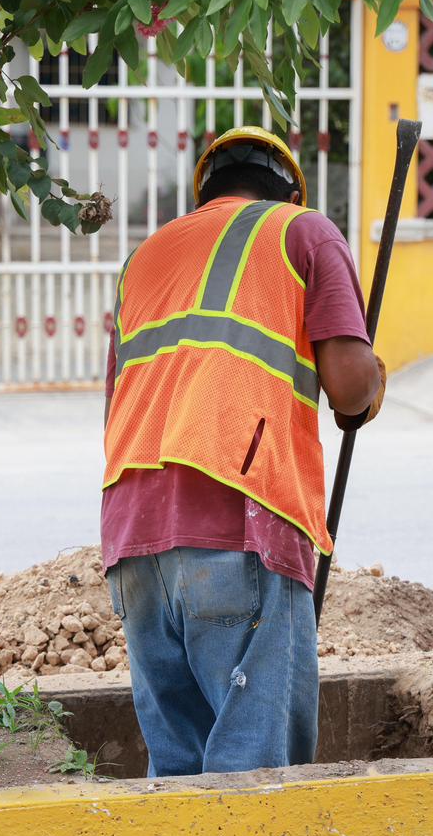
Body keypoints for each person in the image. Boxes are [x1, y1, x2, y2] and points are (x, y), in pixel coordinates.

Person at [102, 126, 385, 776]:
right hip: (240, 518)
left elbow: (118, 404)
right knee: (253, 779)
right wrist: (372, 379)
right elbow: (348, 387)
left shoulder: (144, 260)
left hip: (134, 538)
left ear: (207, 193)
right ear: (288, 190)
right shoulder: (302, 231)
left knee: (178, 772)